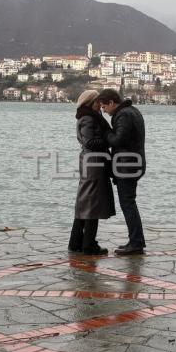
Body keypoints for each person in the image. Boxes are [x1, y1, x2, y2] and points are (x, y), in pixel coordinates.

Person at [99, 88, 146, 255]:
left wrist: (106, 134)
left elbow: (119, 140)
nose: (104, 111)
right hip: (133, 164)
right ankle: (136, 241)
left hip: (127, 166)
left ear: (112, 103)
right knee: (129, 203)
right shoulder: (133, 111)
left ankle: (136, 243)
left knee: (128, 204)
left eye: (104, 107)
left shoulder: (123, 115)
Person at [68, 89, 115, 256]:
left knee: (85, 202)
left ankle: (75, 243)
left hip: (90, 161)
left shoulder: (86, 117)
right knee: (92, 204)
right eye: (97, 101)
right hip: (94, 163)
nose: (100, 105)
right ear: (91, 103)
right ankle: (89, 245)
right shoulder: (89, 118)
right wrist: (109, 138)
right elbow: (90, 141)